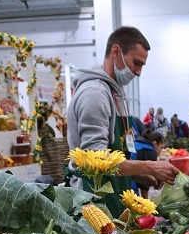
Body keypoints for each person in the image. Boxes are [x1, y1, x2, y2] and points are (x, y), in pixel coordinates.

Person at [67, 26, 179, 216]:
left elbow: (113, 152)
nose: (138, 72)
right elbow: (96, 160)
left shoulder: (114, 92)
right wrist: (150, 166)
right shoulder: (95, 93)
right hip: (94, 201)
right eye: (136, 63)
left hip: (114, 195)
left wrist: (139, 176)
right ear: (116, 52)